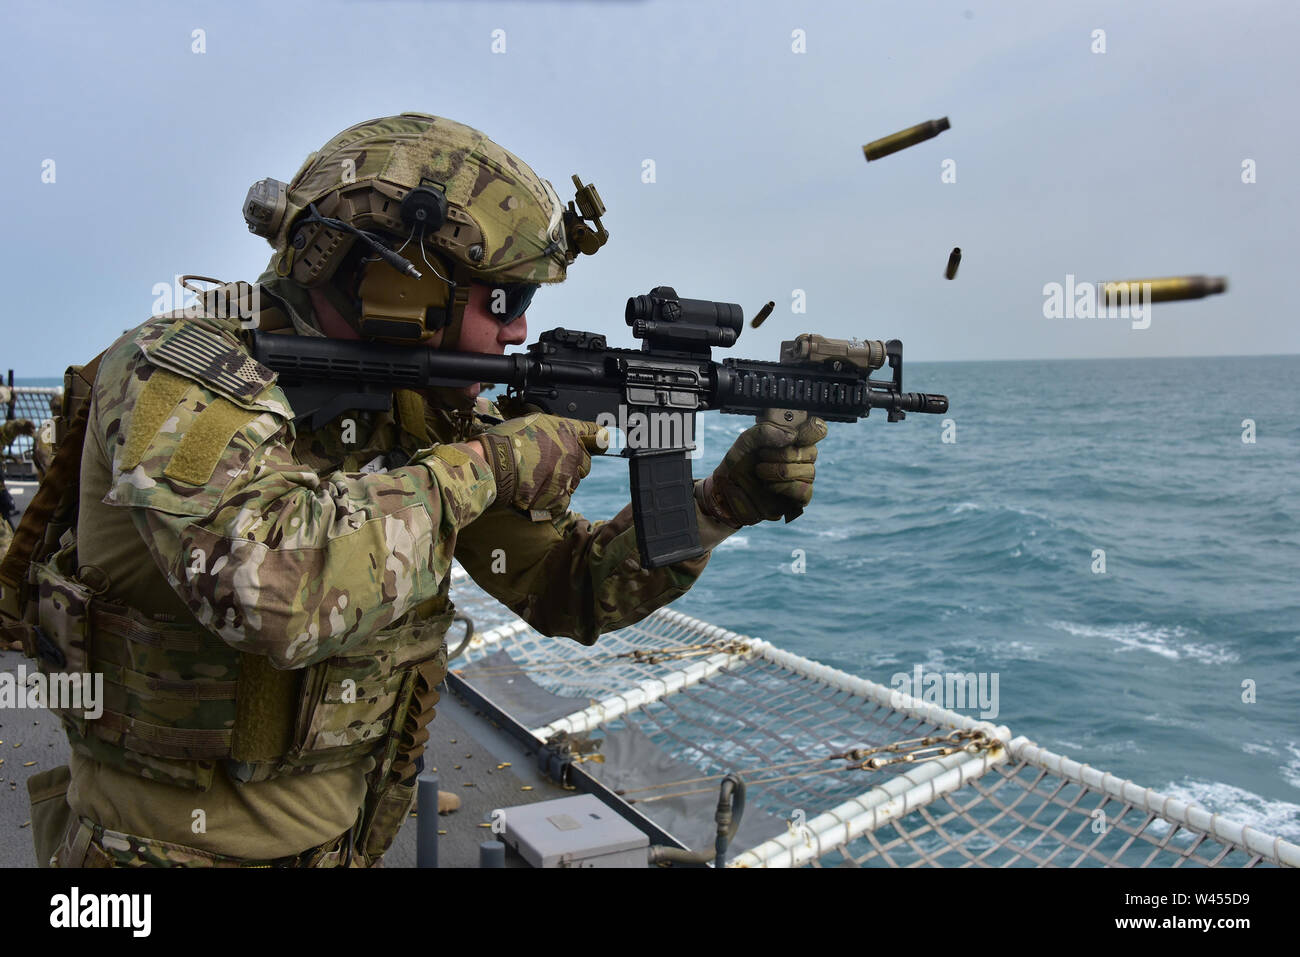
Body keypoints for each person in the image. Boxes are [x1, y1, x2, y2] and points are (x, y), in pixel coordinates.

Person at [21, 113, 826, 867]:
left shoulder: (420, 405)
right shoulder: (179, 370)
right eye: (505, 299)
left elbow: (569, 589)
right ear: (394, 279)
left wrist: (725, 499)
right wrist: (488, 467)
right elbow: (272, 595)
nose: (517, 330)